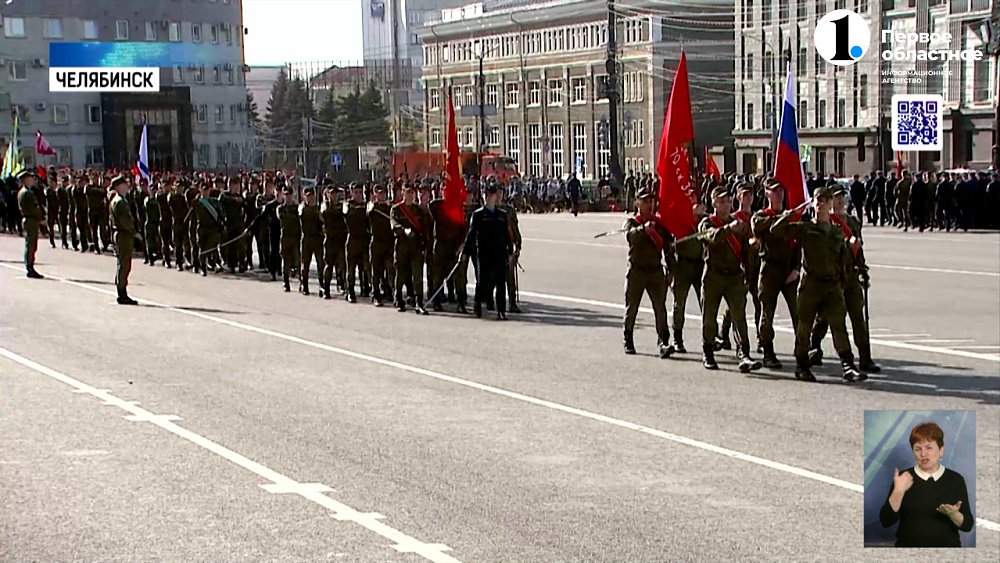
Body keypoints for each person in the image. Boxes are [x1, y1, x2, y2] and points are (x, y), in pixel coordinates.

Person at [770, 187, 862, 382]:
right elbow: (776, 231)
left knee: (839, 325)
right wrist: (789, 214)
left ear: (830, 205)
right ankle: (801, 364)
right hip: (810, 285)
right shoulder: (804, 228)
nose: (821, 204)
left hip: (832, 285)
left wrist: (846, 279)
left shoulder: (836, 233)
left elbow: (843, 261)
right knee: (804, 326)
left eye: (825, 201)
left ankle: (848, 365)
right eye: (818, 201)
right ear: (813, 204)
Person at [809, 186, 881, 373]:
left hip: (851, 276)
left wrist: (863, 271)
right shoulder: (827, 223)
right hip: (834, 277)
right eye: (836, 198)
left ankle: (865, 358)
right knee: (826, 318)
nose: (840, 201)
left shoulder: (853, 222)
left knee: (858, 316)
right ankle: (814, 346)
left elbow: (859, 249)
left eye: (843, 197)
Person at [879, 422, 974, 547]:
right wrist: (898, 491)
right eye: (918, 449)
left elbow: (967, 526)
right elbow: (886, 522)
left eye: (929, 448)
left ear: (941, 451)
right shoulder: (904, 478)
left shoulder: (955, 480)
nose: (923, 454)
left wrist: (954, 515)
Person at [698, 186, 761, 373]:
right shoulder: (707, 222)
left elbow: (746, 251)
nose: (725, 204)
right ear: (714, 203)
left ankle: (744, 354)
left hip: (734, 275)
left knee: (739, 317)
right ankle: (708, 351)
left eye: (727, 201)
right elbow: (711, 238)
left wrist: (752, 248)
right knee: (709, 317)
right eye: (721, 201)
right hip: (713, 275)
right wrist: (728, 229)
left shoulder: (738, 223)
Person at [751, 180, 801, 369]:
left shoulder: (791, 217)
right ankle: (768, 351)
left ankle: (802, 350)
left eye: (781, 190)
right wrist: (781, 218)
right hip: (770, 269)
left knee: (798, 313)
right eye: (774, 191)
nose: (778, 194)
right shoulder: (761, 216)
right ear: (766, 193)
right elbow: (758, 228)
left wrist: (796, 269)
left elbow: (797, 245)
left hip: (788, 270)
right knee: (767, 314)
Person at [622, 187, 674, 358]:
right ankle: (628, 338)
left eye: (651, 201)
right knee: (632, 308)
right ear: (637, 203)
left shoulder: (659, 224)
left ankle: (663, 341)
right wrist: (644, 229)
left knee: (660, 308)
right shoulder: (632, 222)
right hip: (637, 270)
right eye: (645, 201)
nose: (649, 204)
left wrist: (671, 270)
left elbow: (668, 248)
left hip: (655, 270)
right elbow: (630, 237)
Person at [463, 182, 512, 320]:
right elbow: (471, 234)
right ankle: (477, 306)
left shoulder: (502, 215)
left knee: (501, 282)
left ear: (495, 196)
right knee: (482, 281)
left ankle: (501, 310)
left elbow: (506, 235)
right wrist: (465, 252)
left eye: (490, 194)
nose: (487, 197)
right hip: (484, 253)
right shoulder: (478, 215)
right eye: (486, 194)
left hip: (499, 253)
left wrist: (510, 251)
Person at [390, 183, 431, 314]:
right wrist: (403, 230)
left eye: (412, 193)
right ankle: (398, 300)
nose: (410, 195)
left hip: (416, 247)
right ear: (402, 193)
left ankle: (419, 302)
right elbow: (394, 224)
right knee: (400, 274)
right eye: (407, 192)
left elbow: (425, 226)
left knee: (417, 275)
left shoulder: (418, 210)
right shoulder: (396, 209)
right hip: (402, 246)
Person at [108, 176, 138, 305]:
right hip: (123, 234)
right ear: (119, 186)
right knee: (124, 264)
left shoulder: (118, 200)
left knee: (123, 264)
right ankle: (122, 293)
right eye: (125, 184)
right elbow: (125, 221)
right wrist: (134, 232)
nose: (127, 186)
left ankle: (121, 291)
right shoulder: (119, 201)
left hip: (121, 234)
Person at [16, 169, 45, 279]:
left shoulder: (24, 191)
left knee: (31, 245)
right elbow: (33, 209)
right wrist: (41, 218)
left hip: (30, 220)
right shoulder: (26, 193)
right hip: (31, 220)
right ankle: (30, 267)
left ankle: (30, 266)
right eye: (30, 178)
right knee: (31, 245)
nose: (32, 180)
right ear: (25, 180)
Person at [298, 186, 324, 297]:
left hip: (317, 239)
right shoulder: (302, 209)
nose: (310, 198)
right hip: (306, 238)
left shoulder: (318, 209)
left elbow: (323, 222)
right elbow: (300, 212)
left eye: (311, 195)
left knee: (321, 264)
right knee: (305, 264)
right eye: (307, 196)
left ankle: (322, 285)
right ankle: (304, 285)